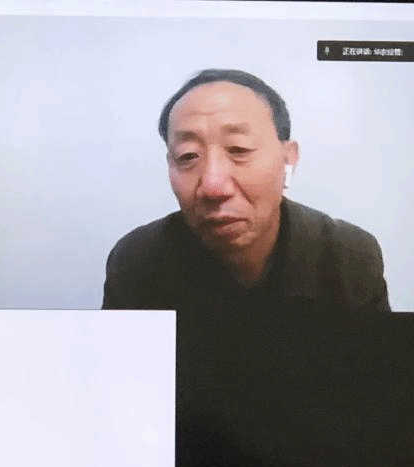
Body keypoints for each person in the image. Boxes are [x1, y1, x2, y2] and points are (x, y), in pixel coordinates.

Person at [102, 69, 389, 312]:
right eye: (188, 156)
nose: (212, 186)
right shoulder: (138, 261)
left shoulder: (347, 257)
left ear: (288, 158)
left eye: (239, 149)